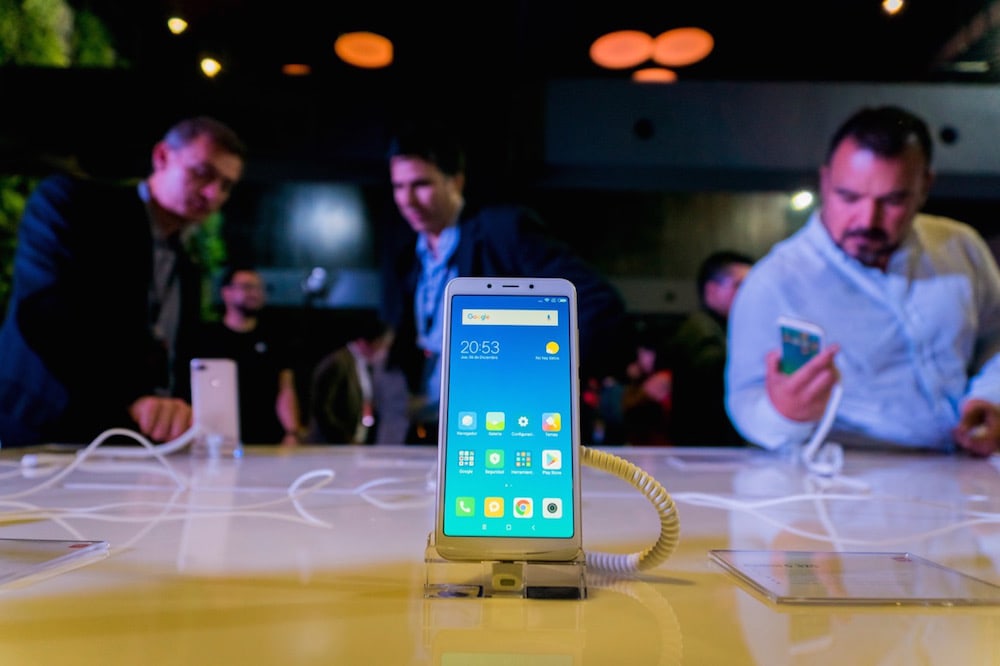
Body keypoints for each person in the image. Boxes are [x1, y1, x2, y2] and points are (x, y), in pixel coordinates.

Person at [726, 105, 1000, 458]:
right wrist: (785, 414)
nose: (867, 219)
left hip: (965, 467)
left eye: (893, 200)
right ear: (825, 181)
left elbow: (995, 340)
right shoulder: (776, 281)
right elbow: (745, 400)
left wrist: (990, 397)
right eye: (849, 197)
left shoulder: (960, 246)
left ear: (925, 186)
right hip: (850, 476)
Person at [0, 116, 247, 447]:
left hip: (134, 443)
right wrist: (129, 397)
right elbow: (43, 312)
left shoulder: (187, 266)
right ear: (161, 157)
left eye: (227, 185)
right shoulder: (73, 203)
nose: (213, 193)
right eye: (202, 172)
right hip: (45, 429)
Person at [381, 122, 629, 444]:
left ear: (456, 181)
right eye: (398, 187)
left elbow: (598, 305)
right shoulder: (408, 256)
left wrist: (537, 370)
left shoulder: (503, 231)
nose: (407, 200)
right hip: (434, 427)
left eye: (420, 184)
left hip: (506, 426)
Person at [195, 266, 306, 445]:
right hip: (219, 440)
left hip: (268, 441)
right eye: (247, 287)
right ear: (226, 292)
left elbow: (286, 388)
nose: (254, 293)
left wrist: (292, 432)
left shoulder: (275, 338)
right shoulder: (207, 339)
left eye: (259, 288)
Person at [663, 250, 753, 446]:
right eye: (739, 285)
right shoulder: (700, 328)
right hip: (703, 454)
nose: (749, 293)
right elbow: (712, 372)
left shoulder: (718, 328)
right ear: (712, 290)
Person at [307, 314, 399, 444]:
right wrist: (345, 439)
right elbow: (322, 409)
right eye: (383, 345)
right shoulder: (337, 363)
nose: (384, 352)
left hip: (350, 443)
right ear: (369, 341)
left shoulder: (362, 365)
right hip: (330, 446)